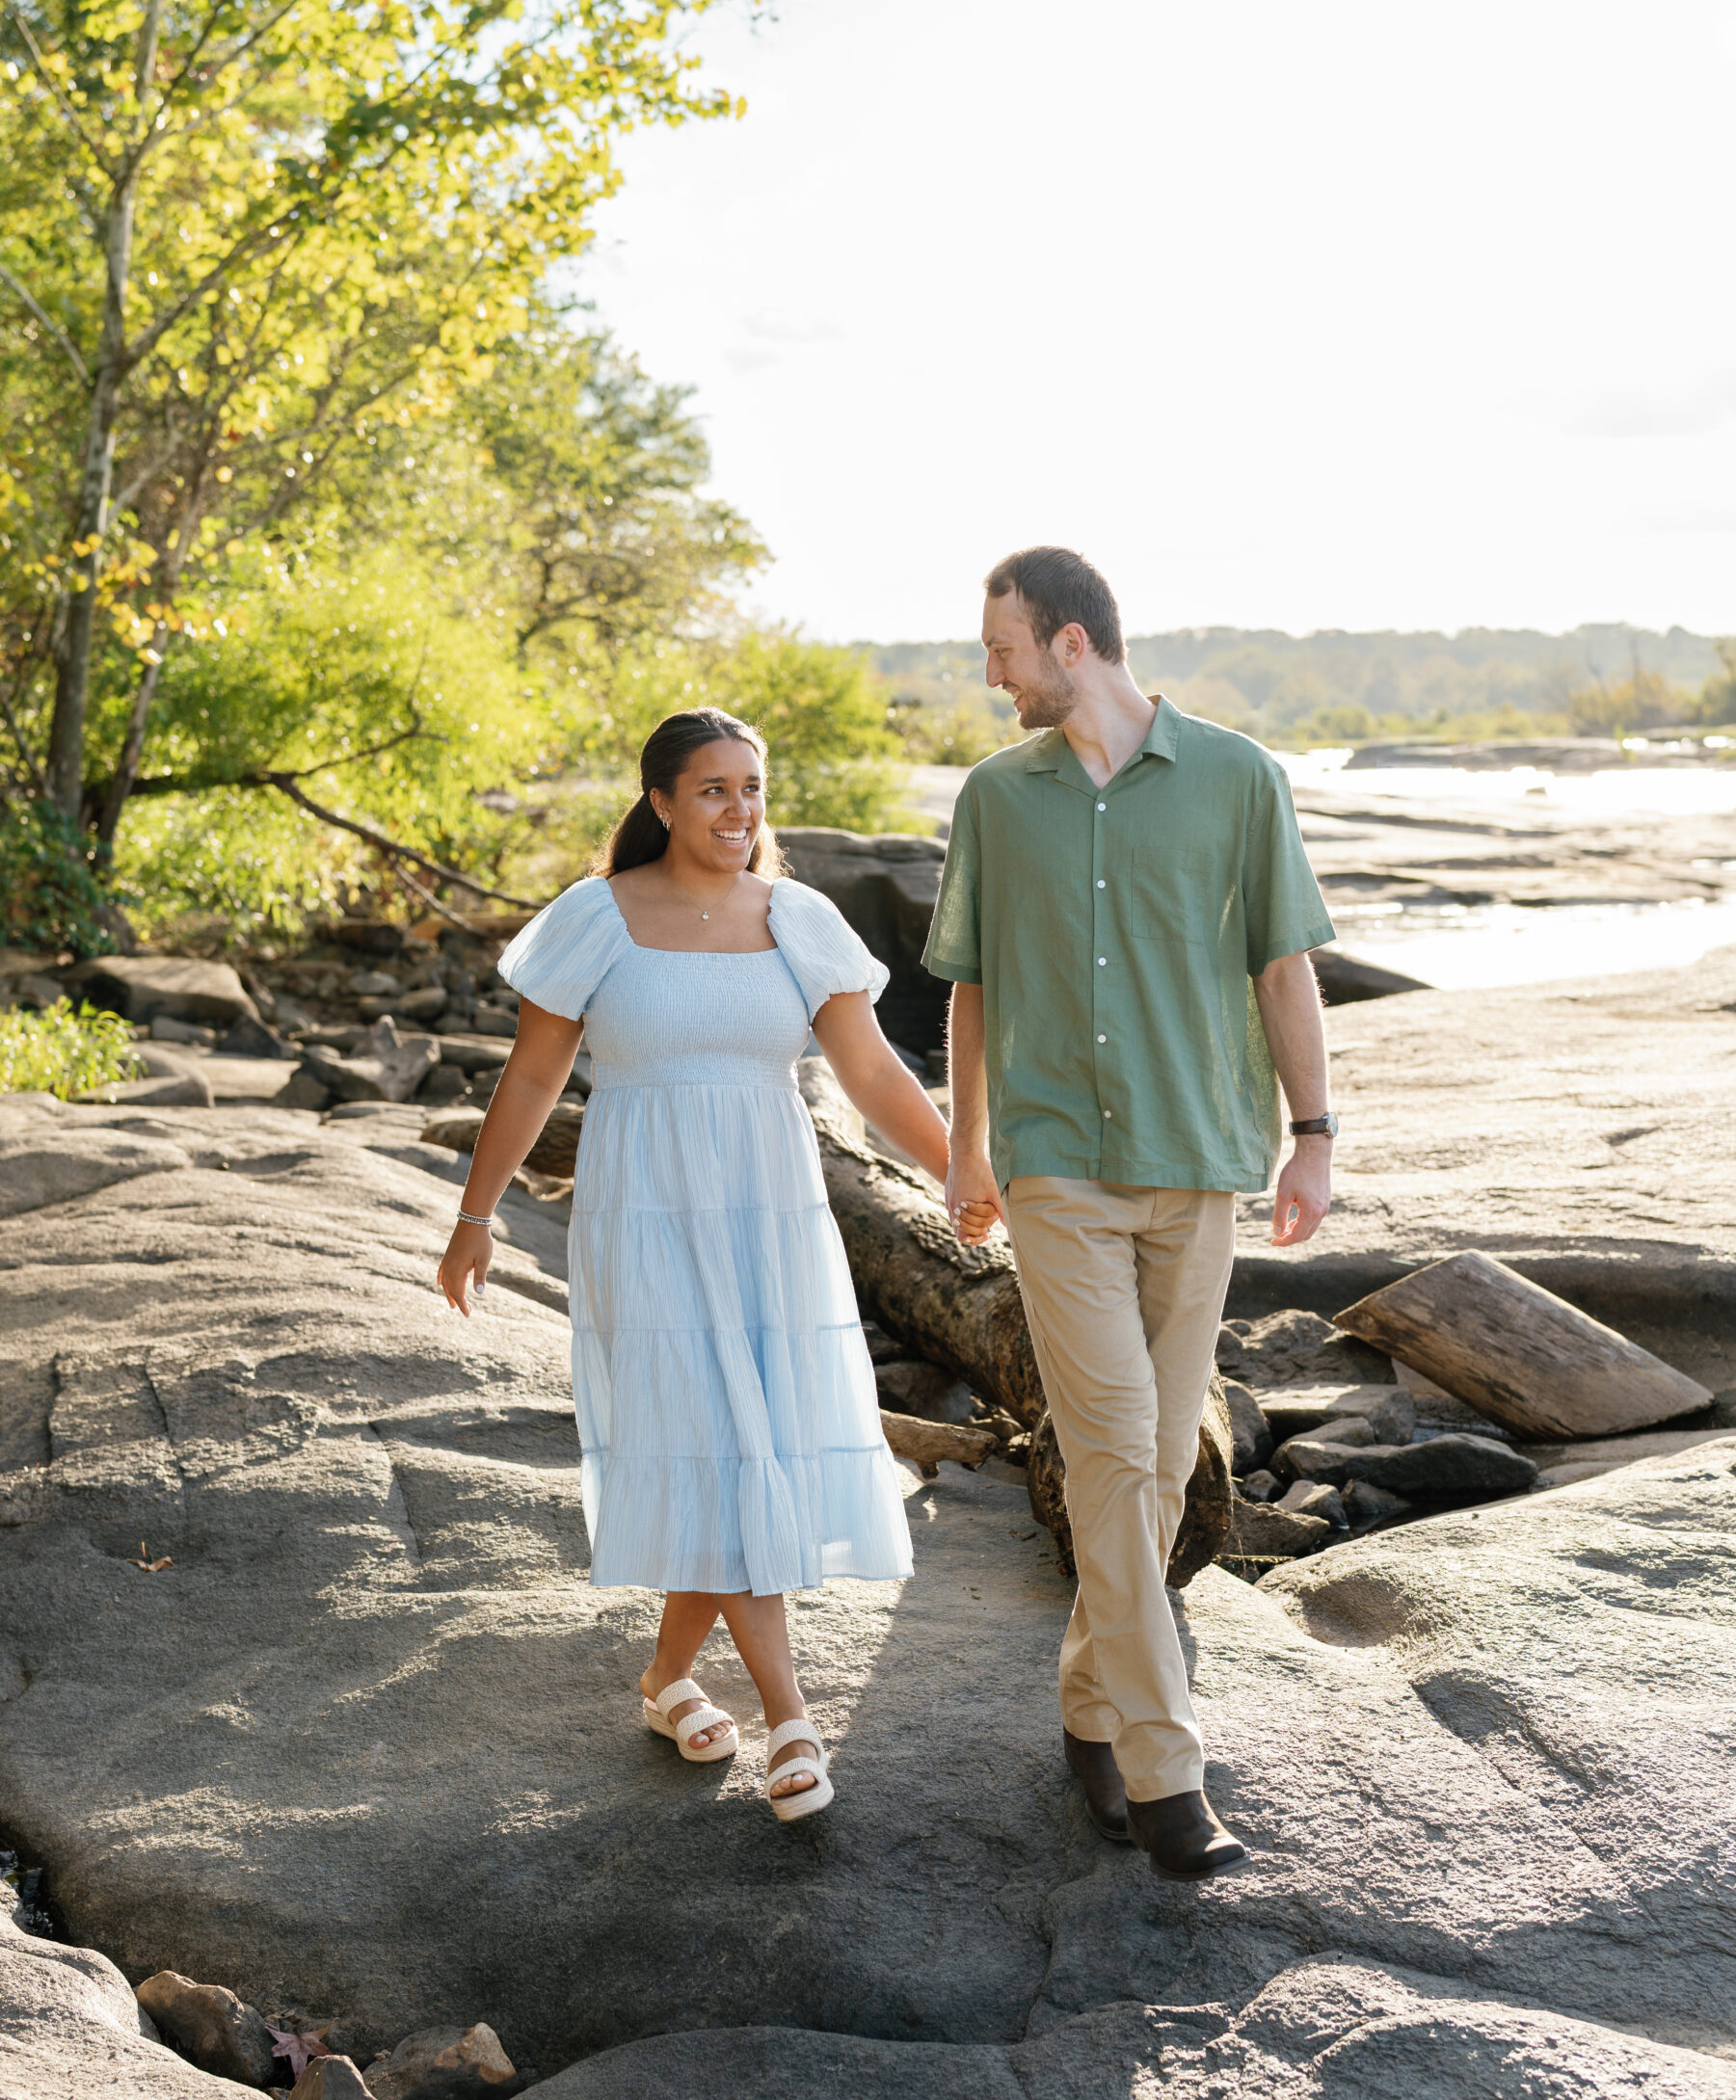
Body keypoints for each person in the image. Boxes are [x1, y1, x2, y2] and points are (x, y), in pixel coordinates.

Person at [437, 707, 994, 1821]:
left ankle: (665, 1680)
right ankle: (792, 1717)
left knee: (743, 1440)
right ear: (659, 802)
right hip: (644, 1209)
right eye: (711, 790)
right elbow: (533, 1078)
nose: (738, 811)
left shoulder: (799, 918)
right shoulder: (595, 918)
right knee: (720, 1436)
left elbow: (875, 1076)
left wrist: (966, 1172)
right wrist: (475, 1215)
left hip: (769, 1213)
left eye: (751, 788)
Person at [924, 547, 1338, 1879]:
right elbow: (971, 986)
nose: (988, 673)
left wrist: (1314, 1137)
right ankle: (1167, 1779)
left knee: (1161, 1466)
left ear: (1071, 643)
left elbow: (1282, 966)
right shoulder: (996, 800)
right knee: (1107, 1454)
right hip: (1054, 1171)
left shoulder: (1237, 778)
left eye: (1001, 648)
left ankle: (1088, 1708)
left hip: (1200, 1159)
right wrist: (966, 1148)